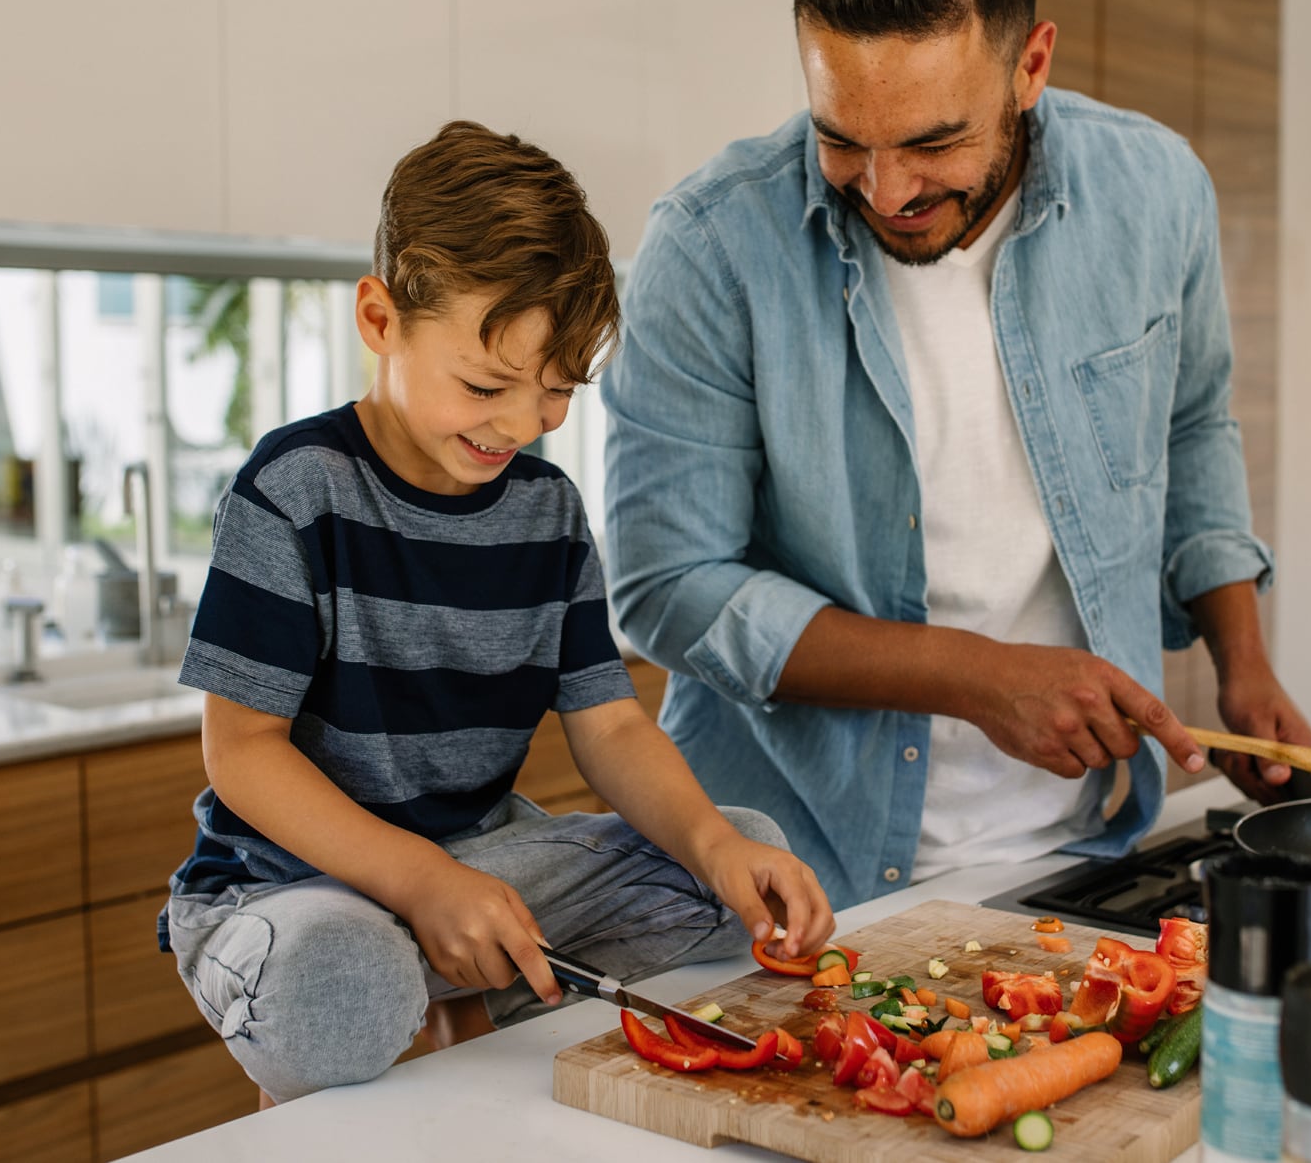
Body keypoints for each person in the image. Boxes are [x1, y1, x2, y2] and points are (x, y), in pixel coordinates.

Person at [601, 0, 1311, 911]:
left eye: (933, 141)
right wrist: (974, 675)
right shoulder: (709, 247)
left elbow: (1190, 424)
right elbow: (666, 588)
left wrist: (1239, 653)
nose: (885, 191)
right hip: (788, 873)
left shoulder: (1156, 189)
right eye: (841, 138)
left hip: (1085, 850)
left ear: (1029, 65)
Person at [159, 120, 833, 1105]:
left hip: (476, 861)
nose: (520, 425)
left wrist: (716, 845)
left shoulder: (545, 510)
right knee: (344, 978)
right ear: (380, 319)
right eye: (484, 384)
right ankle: (415, 997)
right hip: (287, 886)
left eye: (556, 390)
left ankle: (451, 996)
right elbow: (243, 752)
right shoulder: (294, 488)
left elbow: (606, 723)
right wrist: (420, 885)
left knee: (731, 859)